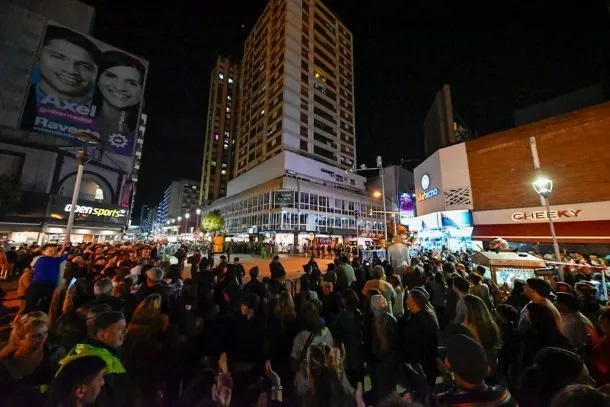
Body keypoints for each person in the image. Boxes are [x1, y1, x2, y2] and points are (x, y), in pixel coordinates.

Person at [21, 25, 100, 128]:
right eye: (58, 57)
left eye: (84, 66)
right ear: (38, 55)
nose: (71, 70)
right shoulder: (16, 100)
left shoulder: (103, 114)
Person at [433, 334, 516, 406]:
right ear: (488, 369)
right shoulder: (504, 397)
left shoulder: (441, 402)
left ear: (447, 363)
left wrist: (442, 377)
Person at [24, 243, 70, 314]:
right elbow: (64, 256)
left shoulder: (55, 260)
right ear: (43, 252)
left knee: (43, 304)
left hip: (48, 286)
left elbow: (64, 256)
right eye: (50, 251)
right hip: (37, 285)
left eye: (55, 250)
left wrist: (67, 248)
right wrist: (66, 248)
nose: (53, 252)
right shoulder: (41, 259)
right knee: (31, 304)